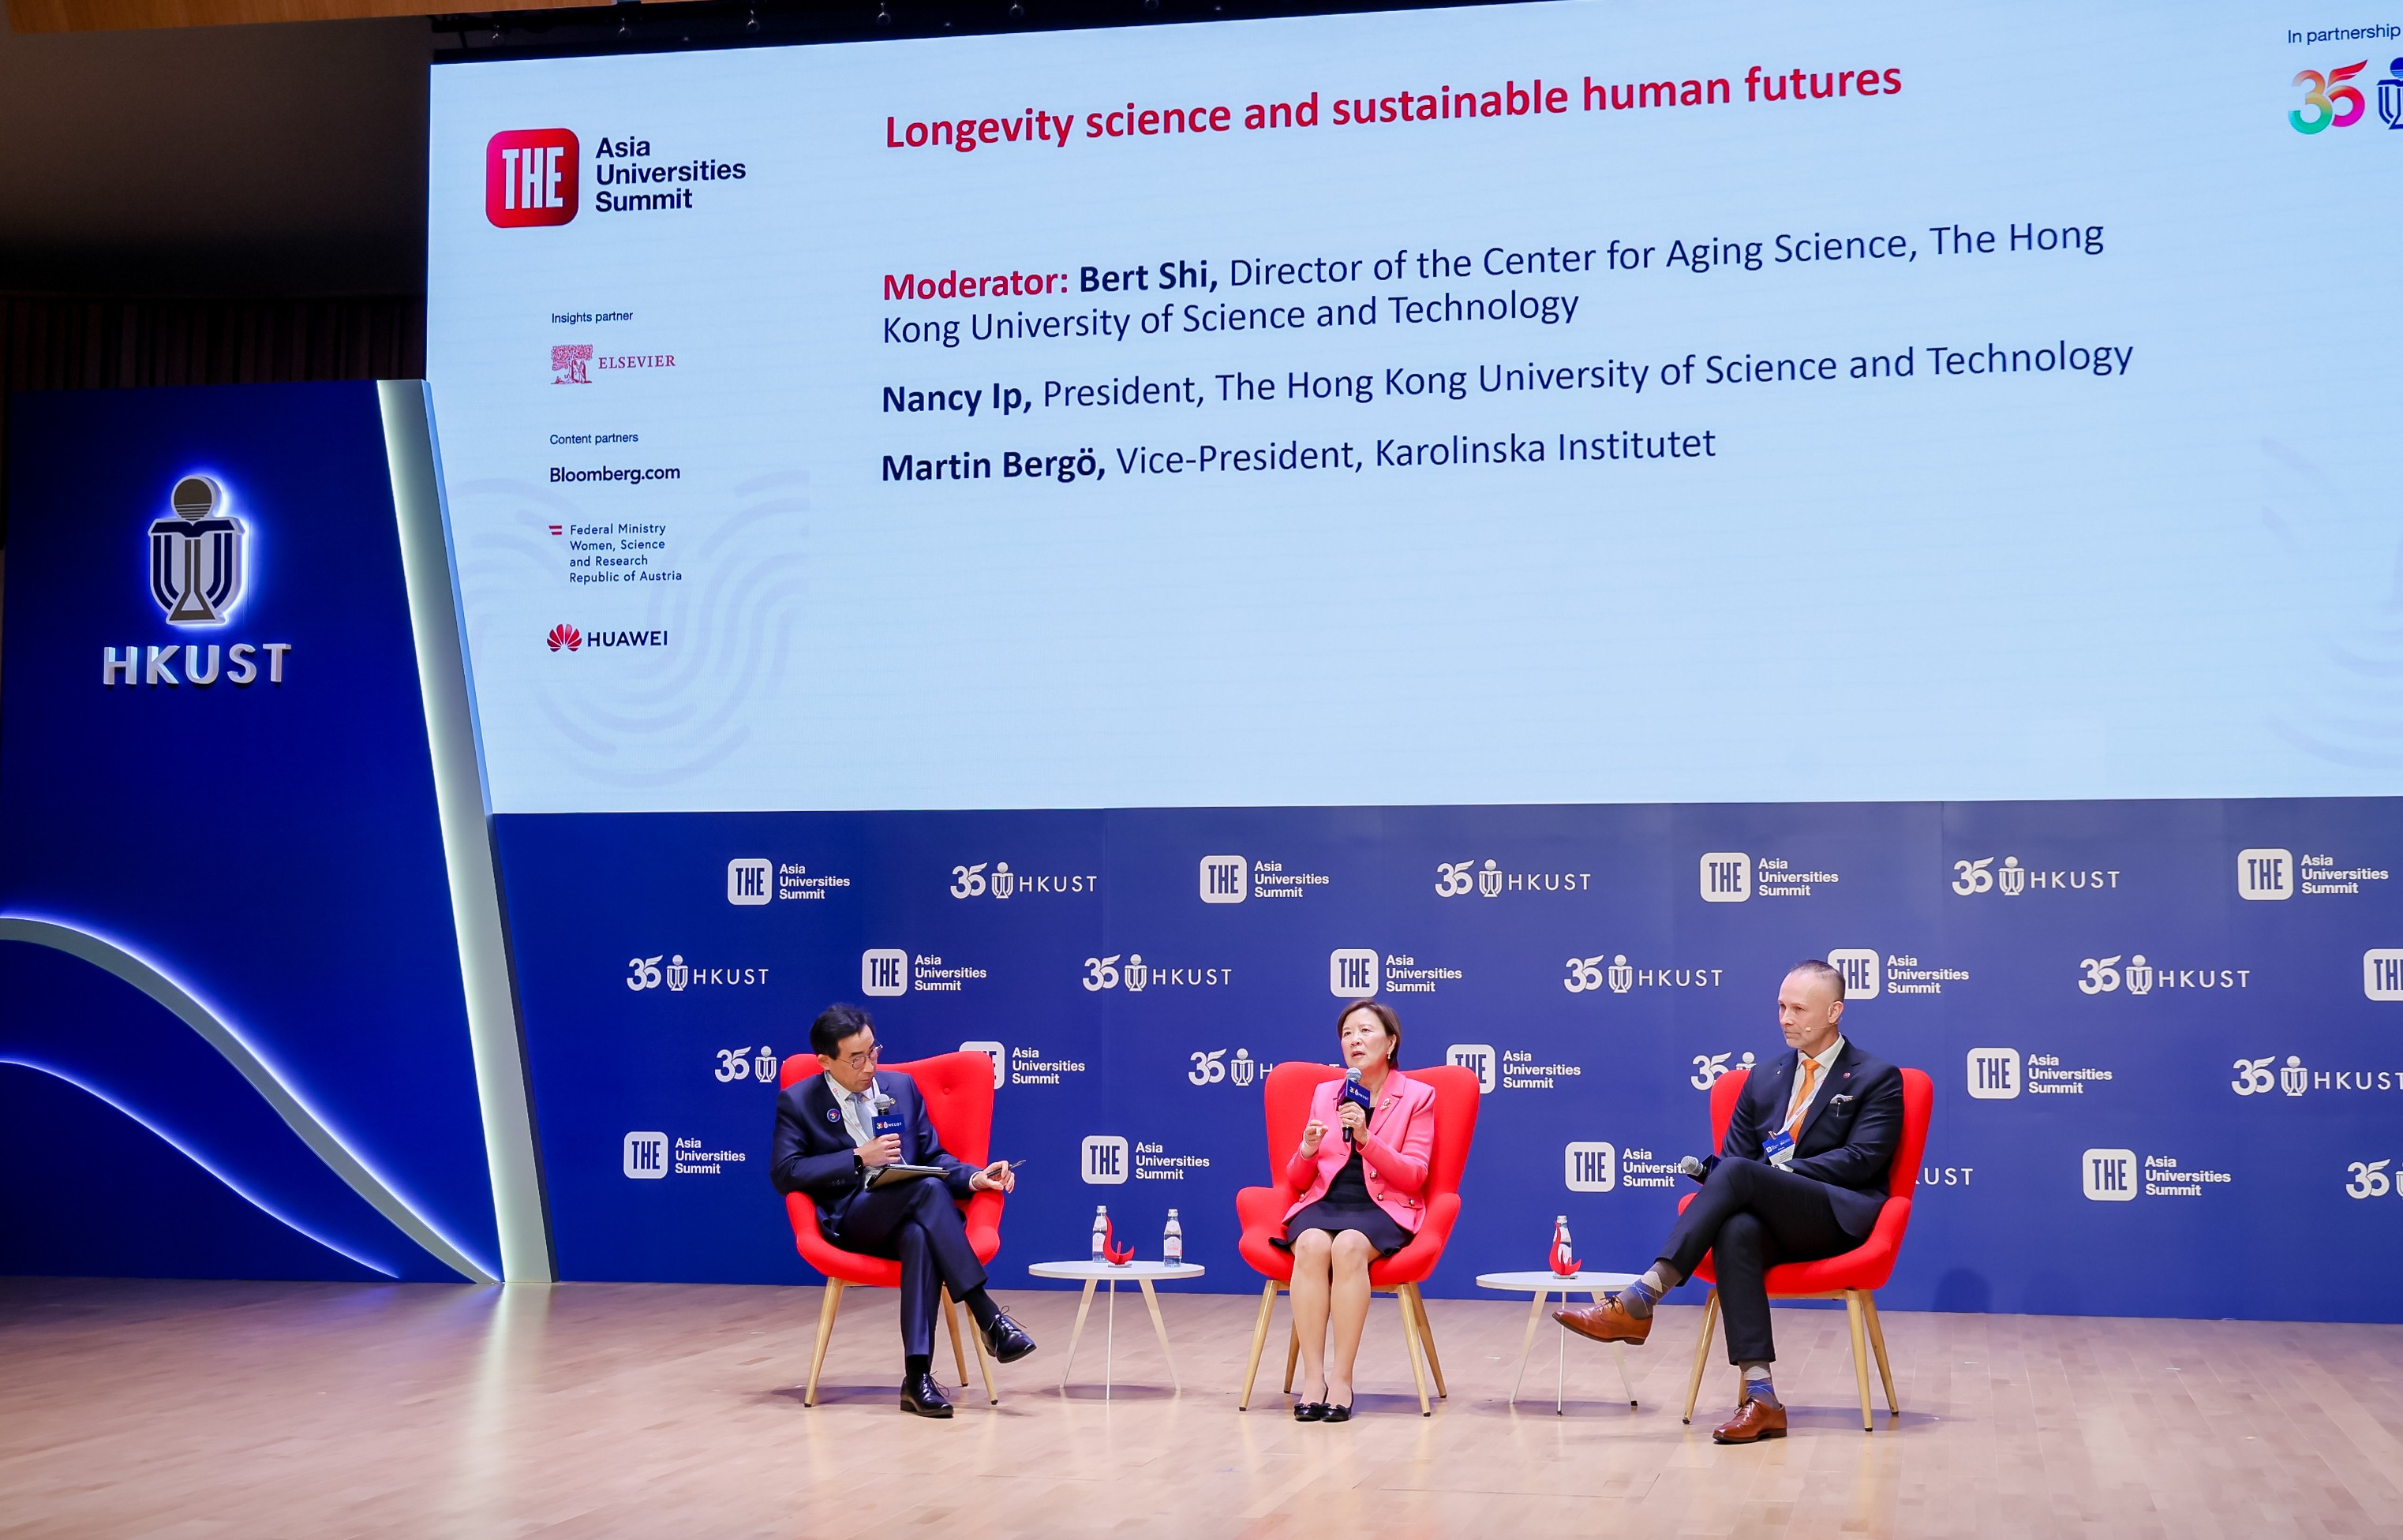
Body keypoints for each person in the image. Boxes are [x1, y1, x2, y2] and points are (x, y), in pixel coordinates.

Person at [1555, 960, 1903, 1444]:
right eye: (1781, 1006)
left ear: (1834, 1012)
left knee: (1740, 1173)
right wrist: (1754, 1175)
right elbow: (1734, 1164)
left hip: (1835, 1216)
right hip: (1771, 1220)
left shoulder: (1875, 1076)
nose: (1785, 1018)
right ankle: (1763, 1398)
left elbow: (1862, 1160)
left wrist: (1778, 1172)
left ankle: (1642, 1297)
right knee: (1737, 1230)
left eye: (1799, 1009)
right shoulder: (1763, 1078)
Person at [769, 1004, 1035, 1419]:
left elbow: (933, 1158)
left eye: (873, 1052)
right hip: (853, 1220)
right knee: (927, 1191)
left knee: (919, 1230)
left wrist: (975, 1178)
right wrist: (858, 1156)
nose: (868, 1065)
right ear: (825, 1061)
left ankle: (917, 1380)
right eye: (855, 1058)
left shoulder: (902, 1088)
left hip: (912, 1215)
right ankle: (987, 1315)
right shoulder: (799, 1101)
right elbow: (785, 1173)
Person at [1274, 999, 1437, 1422]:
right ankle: (1314, 1380)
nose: (1354, 1040)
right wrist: (1307, 1149)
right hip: (1326, 1201)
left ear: (1391, 1042)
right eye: (1347, 1034)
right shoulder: (1327, 1092)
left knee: (1347, 1247)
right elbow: (1297, 1177)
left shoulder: (1417, 1097)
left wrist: (1366, 1139)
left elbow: (1415, 1176)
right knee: (1309, 1244)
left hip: (1383, 1207)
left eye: (1365, 1031)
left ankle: (1342, 1380)